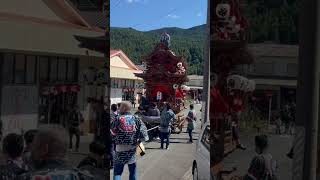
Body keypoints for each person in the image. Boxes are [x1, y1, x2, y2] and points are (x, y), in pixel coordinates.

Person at [111, 101, 149, 180]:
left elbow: (112, 133)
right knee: (133, 171)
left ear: (124, 108)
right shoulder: (136, 118)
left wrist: (115, 140)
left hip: (119, 149)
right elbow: (144, 132)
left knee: (117, 172)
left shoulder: (117, 119)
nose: (118, 108)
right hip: (132, 149)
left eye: (120, 107)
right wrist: (139, 141)